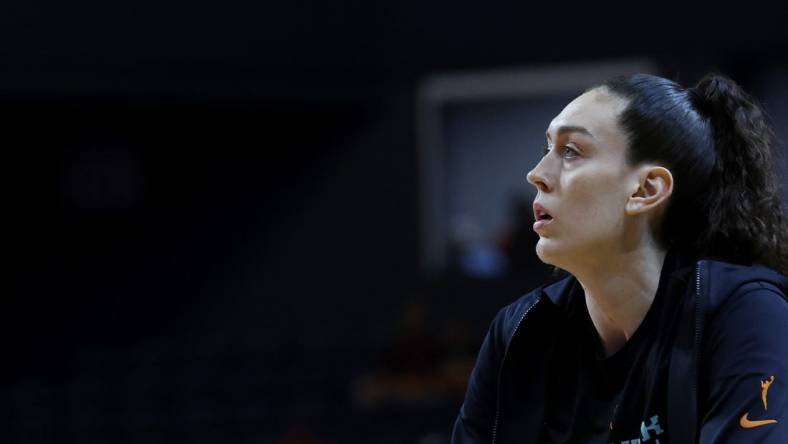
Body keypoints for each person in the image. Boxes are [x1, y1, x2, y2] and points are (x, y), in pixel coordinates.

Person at [450, 72, 788, 443]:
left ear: (646, 190)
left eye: (570, 151)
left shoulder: (745, 313)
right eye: (546, 149)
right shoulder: (519, 331)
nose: (536, 174)